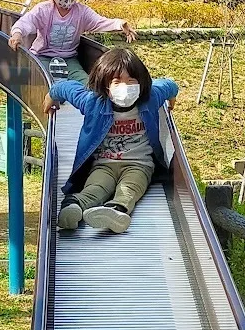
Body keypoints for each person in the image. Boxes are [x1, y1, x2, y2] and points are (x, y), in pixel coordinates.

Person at [44, 47, 178, 234]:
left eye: (131, 81)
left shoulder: (150, 98)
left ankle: (116, 211)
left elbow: (168, 85)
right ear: (105, 86)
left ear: (141, 83)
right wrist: (51, 95)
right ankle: (73, 208)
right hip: (104, 164)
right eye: (117, 82)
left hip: (139, 164)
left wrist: (171, 97)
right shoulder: (93, 102)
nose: (125, 87)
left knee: (129, 188)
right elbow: (67, 88)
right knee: (96, 187)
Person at [8, 0, 137, 85]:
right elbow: (27, 22)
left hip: (69, 60)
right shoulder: (43, 10)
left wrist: (120, 24)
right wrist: (17, 33)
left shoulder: (82, 12)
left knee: (86, 84)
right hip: (43, 56)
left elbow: (99, 22)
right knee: (43, 83)